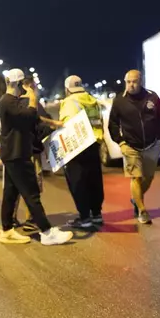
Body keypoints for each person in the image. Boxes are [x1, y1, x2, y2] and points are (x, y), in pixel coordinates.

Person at [0, 69, 74, 246]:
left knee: (10, 193)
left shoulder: (10, 102)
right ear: (19, 84)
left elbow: (34, 119)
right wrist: (32, 96)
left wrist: (53, 123)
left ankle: (7, 230)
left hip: (14, 154)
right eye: (24, 84)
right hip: (17, 155)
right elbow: (29, 116)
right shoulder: (8, 101)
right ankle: (47, 232)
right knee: (32, 194)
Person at [108, 70, 160, 224]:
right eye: (128, 82)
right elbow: (113, 124)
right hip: (131, 146)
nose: (131, 85)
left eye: (134, 82)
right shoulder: (120, 100)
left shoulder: (152, 97)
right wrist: (120, 142)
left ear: (141, 82)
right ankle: (142, 210)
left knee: (148, 177)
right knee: (136, 177)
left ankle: (135, 199)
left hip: (152, 145)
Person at [59, 75, 106, 228]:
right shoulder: (92, 100)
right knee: (94, 180)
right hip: (94, 144)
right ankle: (97, 214)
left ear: (67, 89)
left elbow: (67, 125)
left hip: (78, 147)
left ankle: (84, 217)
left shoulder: (69, 102)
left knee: (78, 182)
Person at [13, 79, 54, 233]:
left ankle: (12, 218)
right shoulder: (32, 104)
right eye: (34, 87)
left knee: (17, 185)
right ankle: (32, 218)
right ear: (29, 87)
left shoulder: (14, 104)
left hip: (16, 151)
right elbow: (40, 125)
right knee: (34, 186)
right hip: (31, 151)